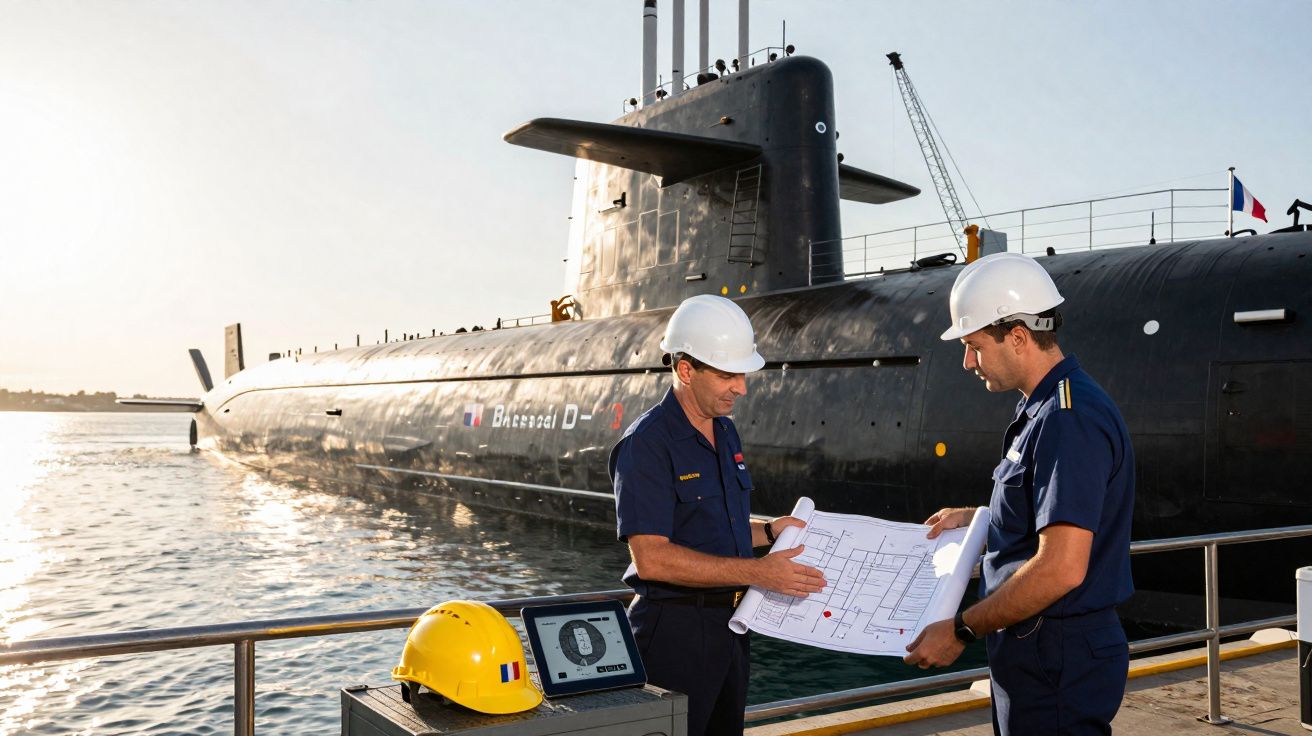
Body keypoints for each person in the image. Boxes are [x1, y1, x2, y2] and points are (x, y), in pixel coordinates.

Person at [904, 252, 1135, 736]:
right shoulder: (1048, 407)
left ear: (1017, 337)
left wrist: (962, 629)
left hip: (1057, 656)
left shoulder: (1065, 419)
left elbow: (1062, 566)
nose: (968, 362)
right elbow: (1045, 505)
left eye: (973, 346)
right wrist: (977, 518)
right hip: (1042, 652)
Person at [609, 294, 827, 736]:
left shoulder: (724, 430)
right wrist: (762, 573)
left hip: (730, 630)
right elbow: (652, 557)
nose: (741, 388)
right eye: (728, 375)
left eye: (742, 374)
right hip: (673, 635)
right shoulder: (647, 444)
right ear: (686, 370)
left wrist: (768, 530)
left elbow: (715, 525)